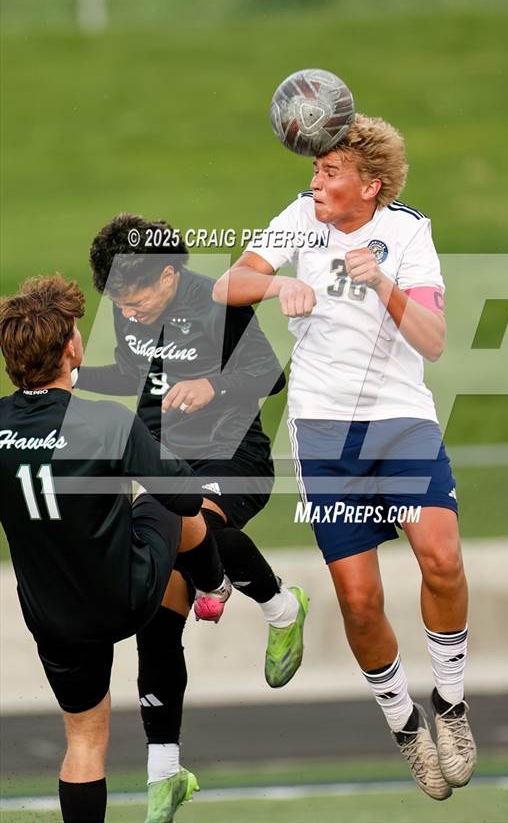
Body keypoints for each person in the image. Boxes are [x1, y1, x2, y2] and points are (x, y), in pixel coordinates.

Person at [213, 114, 476, 800]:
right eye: (316, 170)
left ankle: (450, 706)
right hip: (325, 432)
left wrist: (384, 285)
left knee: (442, 557)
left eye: (330, 172)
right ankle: (404, 724)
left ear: (372, 185)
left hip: (401, 422)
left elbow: (435, 339)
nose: (315, 181)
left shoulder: (408, 231)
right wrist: (276, 286)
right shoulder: (301, 216)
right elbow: (227, 285)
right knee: (361, 600)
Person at [77, 215, 309, 818]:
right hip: (163, 460)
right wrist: (73, 376)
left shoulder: (218, 298)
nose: (127, 313)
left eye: (136, 299)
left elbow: (271, 374)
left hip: (233, 457)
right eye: (118, 305)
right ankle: (165, 775)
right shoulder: (133, 315)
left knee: (194, 520)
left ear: (171, 273)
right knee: (158, 618)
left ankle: (281, 607)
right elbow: (131, 375)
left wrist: (213, 384)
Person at [0, 275, 227, 822]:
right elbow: (182, 496)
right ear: (71, 350)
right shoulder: (105, 419)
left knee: (83, 741)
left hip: (55, 620)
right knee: (168, 503)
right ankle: (216, 586)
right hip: (127, 594)